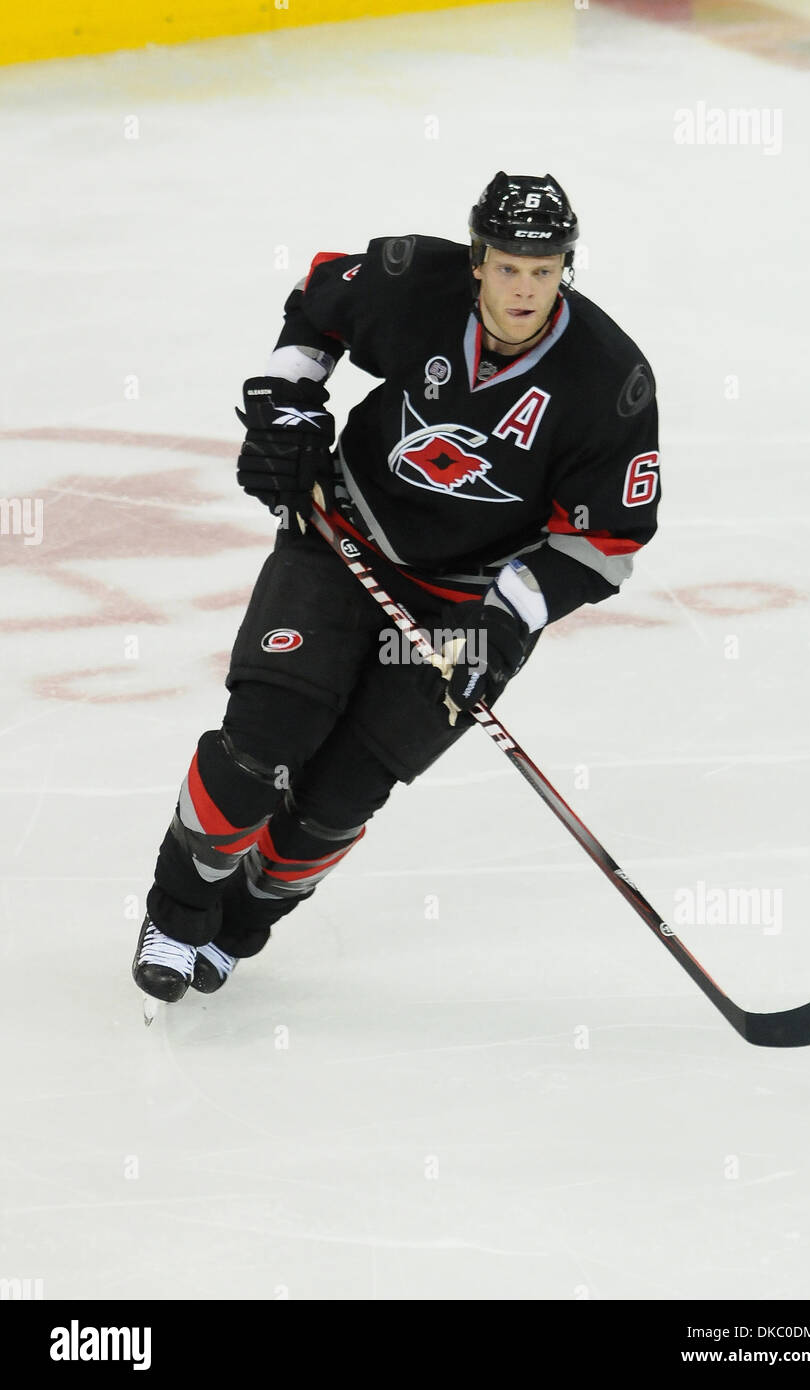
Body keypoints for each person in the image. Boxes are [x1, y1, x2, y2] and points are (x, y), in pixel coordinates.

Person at [132, 171, 661, 1004]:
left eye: (546, 268)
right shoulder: (416, 281)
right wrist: (289, 412)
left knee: (337, 799)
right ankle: (177, 911)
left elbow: (603, 543)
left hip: (470, 599)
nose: (526, 287)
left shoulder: (607, 380)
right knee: (260, 746)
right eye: (509, 265)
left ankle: (237, 929)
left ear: (567, 267)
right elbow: (317, 304)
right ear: (479, 259)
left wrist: (504, 623)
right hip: (342, 540)